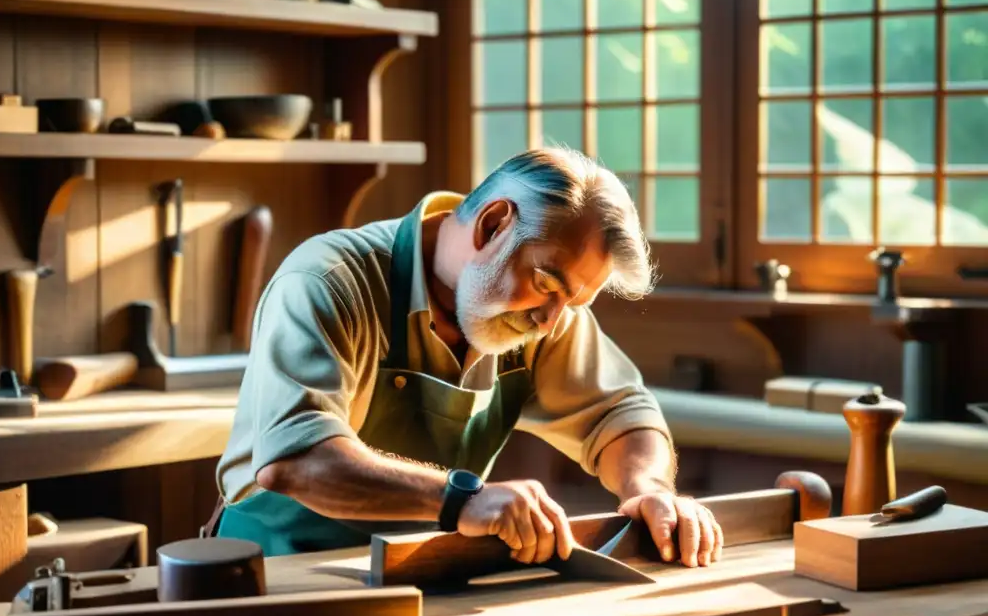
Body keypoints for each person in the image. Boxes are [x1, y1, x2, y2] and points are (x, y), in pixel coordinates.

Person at [207, 147, 723, 569]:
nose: (549, 321)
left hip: (419, 569)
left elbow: (621, 414)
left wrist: (649, 488)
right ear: (494, 224)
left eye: (572, 302)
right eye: (546, 284)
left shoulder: (543, 312)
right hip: (275, 572)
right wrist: (463, 499)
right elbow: (297, 460)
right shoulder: (329, 280)